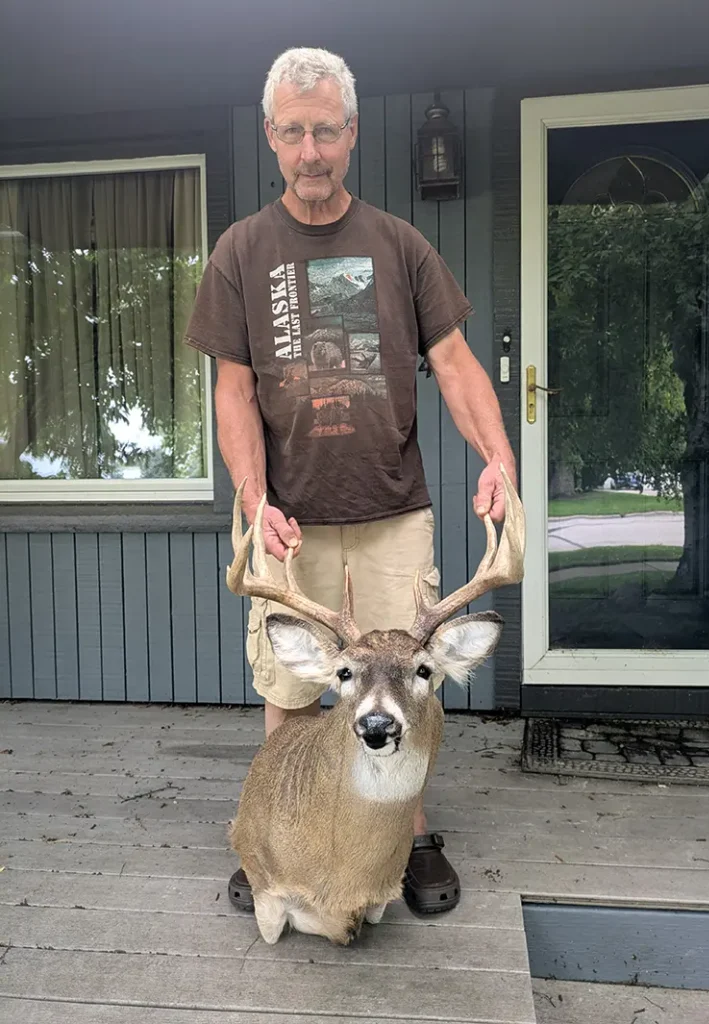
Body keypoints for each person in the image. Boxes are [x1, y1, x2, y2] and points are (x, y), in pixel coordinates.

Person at [184, 46, 518, 918]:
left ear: (351, 132)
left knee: (401, 683)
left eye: (324, 131)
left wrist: (498, 459)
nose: (309, 151)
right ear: (270, 137)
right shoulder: (241, 250)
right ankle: (281, 837)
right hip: (287, 518)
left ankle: (403, 839)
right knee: (292, 692)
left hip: (389, 514)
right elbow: (234, 390)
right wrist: (257, 506)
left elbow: (452, 362)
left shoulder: (399, 245)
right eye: (292, 133)